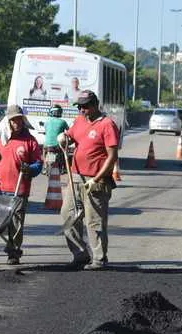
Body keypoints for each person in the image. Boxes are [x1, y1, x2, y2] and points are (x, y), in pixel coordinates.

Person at [57, 90, 119, 270]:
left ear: (95, 105)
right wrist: (64, 138)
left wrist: (97, 178)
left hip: (96, 181)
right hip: (75, 177)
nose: (82, 110)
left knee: (94, 221)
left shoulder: (107, 125)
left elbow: (112, 156)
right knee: (68, 215)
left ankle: (99, 259)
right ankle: (80, 254)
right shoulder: (79, 121)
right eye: (80, 107)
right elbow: (71, 136)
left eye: (85, 106)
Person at [0, 105, 43, 265]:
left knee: (16, 225)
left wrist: (30, 169)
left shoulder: (30, 141)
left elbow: (38, 164)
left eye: (19, 119)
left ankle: (13, 252)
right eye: (13, 120)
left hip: (19, 190)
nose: (17, 122)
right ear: (8, 121)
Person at [44, 104, 70, 171]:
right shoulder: (63, 122)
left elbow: (47, 132)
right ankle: (63, 167)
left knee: (44, 149)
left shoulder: (46, 122)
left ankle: (45, 166)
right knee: (65, 149)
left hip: (48, 146)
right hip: (57, 146)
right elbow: (69, 132)